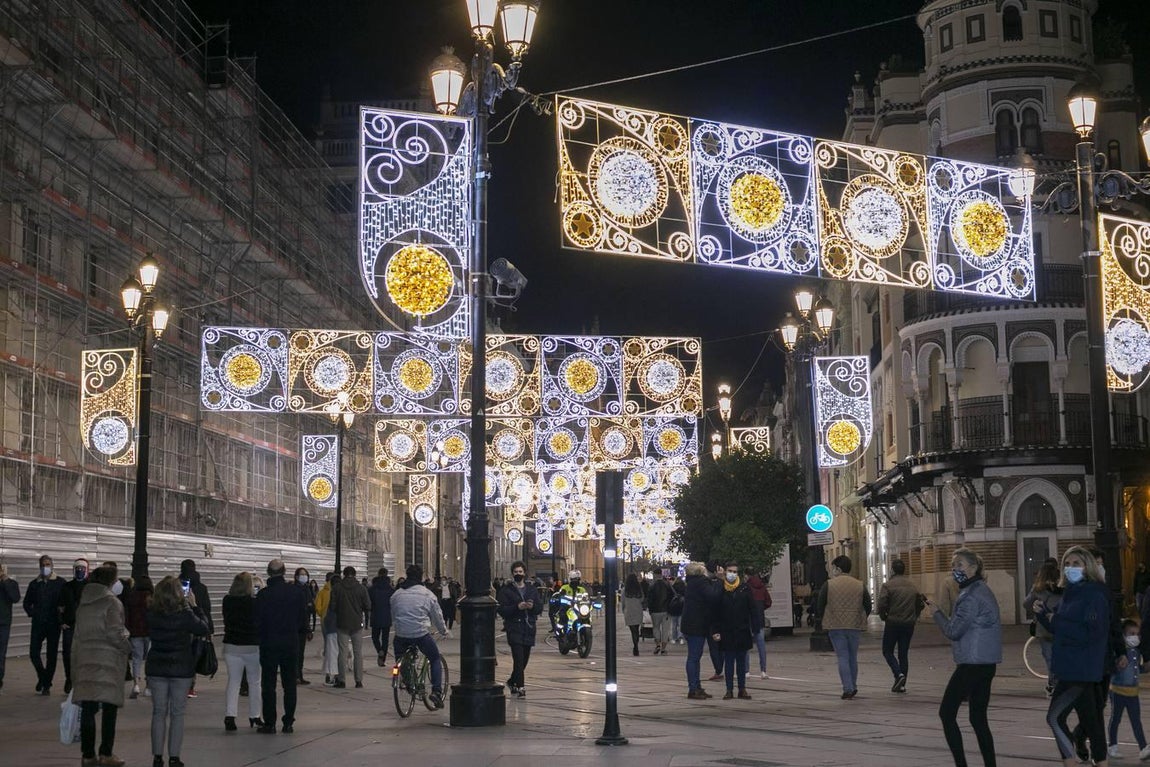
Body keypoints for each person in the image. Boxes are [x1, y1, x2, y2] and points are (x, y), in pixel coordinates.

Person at [1035, 546, 1111, 767]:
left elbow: (1091, 632)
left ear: (1087, 566)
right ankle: (1100, 762)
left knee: (1055, 718)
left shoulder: (1094, 593)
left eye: (1076, 563)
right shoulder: (1071, 593)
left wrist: (1056, 620)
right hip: (1070, 665)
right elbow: (1061, 629)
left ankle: (1070, 761)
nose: (1070, 568)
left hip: (1080, 668)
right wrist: (1043, 616)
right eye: (1067, 564)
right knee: (1092, 722)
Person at [928, 548, 1002, 767]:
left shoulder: (971, 596)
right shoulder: (981, 589)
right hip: (986, 662)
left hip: (972, 663)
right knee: (978, 719)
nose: (955, 569)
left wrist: (936, 613)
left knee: (947, 713)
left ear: (974, 567)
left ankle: (961, 764)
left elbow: (953, 631)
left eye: (959, 565)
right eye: (953, 565)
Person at [147, 575, 210, 767]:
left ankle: (157, 757)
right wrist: (194, 606)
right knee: (177, 713)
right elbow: (203, 628)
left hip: (156, 667)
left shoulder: (151, 613)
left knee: (158, 712)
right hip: (181, 668)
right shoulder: (185, 614)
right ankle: (174, 757)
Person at [71, 566, 131, 767]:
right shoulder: (112, 603)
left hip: (86, 660)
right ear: (110, 582)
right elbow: (115, 633)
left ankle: (87, 755)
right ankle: (106, 753)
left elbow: (77, 636)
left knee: (88, 708)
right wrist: (127, 646)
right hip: (108, 662)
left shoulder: (84, 603)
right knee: (109, 709)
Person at [255, 559, 307, 734]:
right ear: (284, 572)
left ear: (269, 573)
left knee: (269, 684)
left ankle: (270, 722)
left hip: (269, 644)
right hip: (290, 643)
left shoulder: (263, 595)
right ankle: (288, 722)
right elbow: (302, 618)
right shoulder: (296, 593)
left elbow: (258, 622)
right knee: (289, 684)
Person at [391, 564, 449, 708]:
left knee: (400, 657)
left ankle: (410, 682)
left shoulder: (396, 594)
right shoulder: (427, 594)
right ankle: (436, 691)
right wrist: (443, 630)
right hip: (420, 633)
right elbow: (437, 616)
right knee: (434, 658)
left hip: (401, 634)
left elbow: (394, 614)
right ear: (421, 577)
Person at [815, 555, 871, 699]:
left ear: (838, 569)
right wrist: (861, 616)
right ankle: (853, 685)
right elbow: (868, 605)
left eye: (833, 568)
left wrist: (823, 618)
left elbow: (820, 604)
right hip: (854, 625)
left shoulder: (829, 584)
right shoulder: (860, 584)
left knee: (842, 657)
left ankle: (848, 688)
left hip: (836, 625)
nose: (832, 570)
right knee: (853, 657)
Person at [496, 560, 544, 698]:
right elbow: (502, 610)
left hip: (529, 628)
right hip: (514, 627)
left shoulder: (531, 590)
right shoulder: (507, 591)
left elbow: (539, 607)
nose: (518, 574)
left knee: (524, 659)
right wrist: (517, 607)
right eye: (516, 572)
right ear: (512, 573)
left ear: (524, 573)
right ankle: (521, 687)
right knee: (518, 658)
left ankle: (512, 681)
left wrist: (531, 606)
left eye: (520, 572)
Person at [222, 572, 263, 732]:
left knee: (233, 682)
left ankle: (230, 716)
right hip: (252, 647)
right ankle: (255, 716)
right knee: (255, 682)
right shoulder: (254, 603)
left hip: (231, 646)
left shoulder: (227, 600)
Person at [877, 559, 925, 693]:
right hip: (908, 624)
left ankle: (898, 674)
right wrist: (914, 617)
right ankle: (902, 685)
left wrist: (883, 616)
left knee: (887, 650)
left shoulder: (888, 585)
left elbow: (881, 604)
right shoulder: (912, 586)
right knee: (903, 653)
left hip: (893, 622)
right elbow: (919, 604)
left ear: (892, 570)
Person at [715, 561, 760, 700]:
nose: (732, 574)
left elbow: (753, 609)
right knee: (728, 662)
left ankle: (742, 689)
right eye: (730, 571)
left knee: (741, 662)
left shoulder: (744, 588)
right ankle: (729, 690)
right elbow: (714, 611)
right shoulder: (720, 588)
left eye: (735, 571)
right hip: (726, 630)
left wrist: (755, 628)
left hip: (742, 630)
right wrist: (715, 630)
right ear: (725, 571)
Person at [1108, 618, 1150, 760]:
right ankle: (1112, 745)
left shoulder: (1136, 652)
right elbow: (1113, 668)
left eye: (1137, 634)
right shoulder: (1120, 652)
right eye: (1132, 633)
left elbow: (1136, 669)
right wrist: (1117, 666)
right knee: (1115, 719)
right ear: (1124, 636)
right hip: (1118, 691)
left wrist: (1145, 668)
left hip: (1133, 693)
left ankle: (1143, 747)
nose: (1135, 637)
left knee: (1136, 720)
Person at [24, 553, 65, 695]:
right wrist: (32, 612)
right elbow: (26, 603)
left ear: (52, 566)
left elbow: (65, 602)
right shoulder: (34, 584)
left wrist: (62, 617)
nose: (45, 567)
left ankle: (46, 685)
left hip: (53, 624)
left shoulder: (60, 583)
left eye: (47, 565)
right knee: (33, 653)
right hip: (38, 623)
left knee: (51, 655)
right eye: (43, 565)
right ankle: (43, 677)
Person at [1023, 561, 1063, 696]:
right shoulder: (1062, 589)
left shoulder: (1038, 589)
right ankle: (1056, 683)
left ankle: (1054, 684)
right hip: (1060, 629)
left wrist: (1035, 605)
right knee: (1058, 657)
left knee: (1050, 657)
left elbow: (1026, 603)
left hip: (1044, 630)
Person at [681, 562, 718, 700]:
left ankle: (696, 686)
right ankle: (693, 688)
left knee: (694, 657)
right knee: (694, 658)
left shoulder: (691, 582)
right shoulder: (702, 582)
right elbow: (713, 596)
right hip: (697, 625)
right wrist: (719, 581)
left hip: (690, 624)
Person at [178, 559, 212, 700]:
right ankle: (190, 686)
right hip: (197, 624)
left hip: (181, 625)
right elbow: (207, 607)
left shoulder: (177, 585)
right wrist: (208, 627)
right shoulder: (201, 587)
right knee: (193, 655)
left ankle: (180, 682)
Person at [332, 565, 371, 689]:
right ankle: (358, 680)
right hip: (356, 624)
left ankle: (341, 680)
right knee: (357, 652)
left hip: (342, 623)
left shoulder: (337, 588)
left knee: (342, 652)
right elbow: (368, 605)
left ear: (344, 574)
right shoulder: (361, 588)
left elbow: (332, 607)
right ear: (354, 574)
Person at [60, 557, 91, 695]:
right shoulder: (67, 586)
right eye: (77, 568)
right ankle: (69, 679)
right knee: (67, 654)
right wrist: (61, 621)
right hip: (69, 626)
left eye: (82, 569)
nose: (79, 571)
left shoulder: (90, 587)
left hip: (85, 626)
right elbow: (60, 606)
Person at [123, 576, 154, 699]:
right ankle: (148, 687)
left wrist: (129, 628)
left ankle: (136, 684)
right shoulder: (152, 597)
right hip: (150, 632)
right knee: (149, 659)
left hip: (135, 632)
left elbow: (127, 615)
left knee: (137, 658)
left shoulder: (132, 596)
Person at [745, 567, 772, 679]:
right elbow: (769, 602)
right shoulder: (762, 587)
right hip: (759, 618)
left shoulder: (746, 587)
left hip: (747, 619)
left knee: (746, 646)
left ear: (746, 575)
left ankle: (746, 671)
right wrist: (761, 609)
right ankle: (763, 670)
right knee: (761, 646)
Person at [316, 573, 341, 685]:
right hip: (339, 626)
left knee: (331, 650)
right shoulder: (338, 594)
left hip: (330, 625)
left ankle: (330, 674)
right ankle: (333, 675)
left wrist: (323, 616)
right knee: (335, 651)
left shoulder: (329, 593)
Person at [0, 562, 21, 691]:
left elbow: (15, 597)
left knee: (1, 652)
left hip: (3, 623)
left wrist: (5, 580)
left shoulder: (11, 584)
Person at [292, 568, 314, 685]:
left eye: (305, 574)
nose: (304, 577)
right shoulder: (294, 590)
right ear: (296, 577)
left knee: (301, 653)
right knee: (295, 652)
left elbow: (310, 607)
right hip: (294, 626)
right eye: (301, 575)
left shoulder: (307, 590)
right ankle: (295, 675)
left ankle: (299, 675)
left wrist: (309, 629)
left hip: (303, 626)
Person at [368, 568, 393, 667]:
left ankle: (379, 650)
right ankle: (382, 659)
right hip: (386, 615)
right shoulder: (391, 589)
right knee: (385, 638)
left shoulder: (372, 589)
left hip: (375, 615)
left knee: (375, 637)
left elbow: (368, 602)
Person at [704, 560, 725, 681]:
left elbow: (713, 599)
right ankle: (720, 669)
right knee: (720, 645)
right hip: (722, 619)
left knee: (714, 646)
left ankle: (718, 669)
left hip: (713, 620)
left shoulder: (711, 584)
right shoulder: (726, 582)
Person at [646, 568, 673, 655]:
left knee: (656, 628)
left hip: (655, 610)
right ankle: (663, 648)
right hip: (666, 610)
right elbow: (673, 595)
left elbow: (649, 599)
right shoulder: (667, 584)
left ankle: (657, 644)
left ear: (654, 574)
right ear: (661, 574)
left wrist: (650, 609)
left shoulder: (652, 585)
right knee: (665, 629)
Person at [621, 573, 645, 657]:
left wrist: (623, 610)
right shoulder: (639, 589)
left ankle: (635, 645)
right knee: (636, 629)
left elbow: (622, 602)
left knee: (633, 630)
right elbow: (642, 599)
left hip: (629, 611)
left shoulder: (625, 590)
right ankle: (636, 645)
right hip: (638, 610)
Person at [669, 576, 686, 645]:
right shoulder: (684, 588)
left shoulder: (673, 587)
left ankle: (674, 638)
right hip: (682, 607)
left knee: (674, 624)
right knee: (680, 624)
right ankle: (681, 638)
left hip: (674, 608)